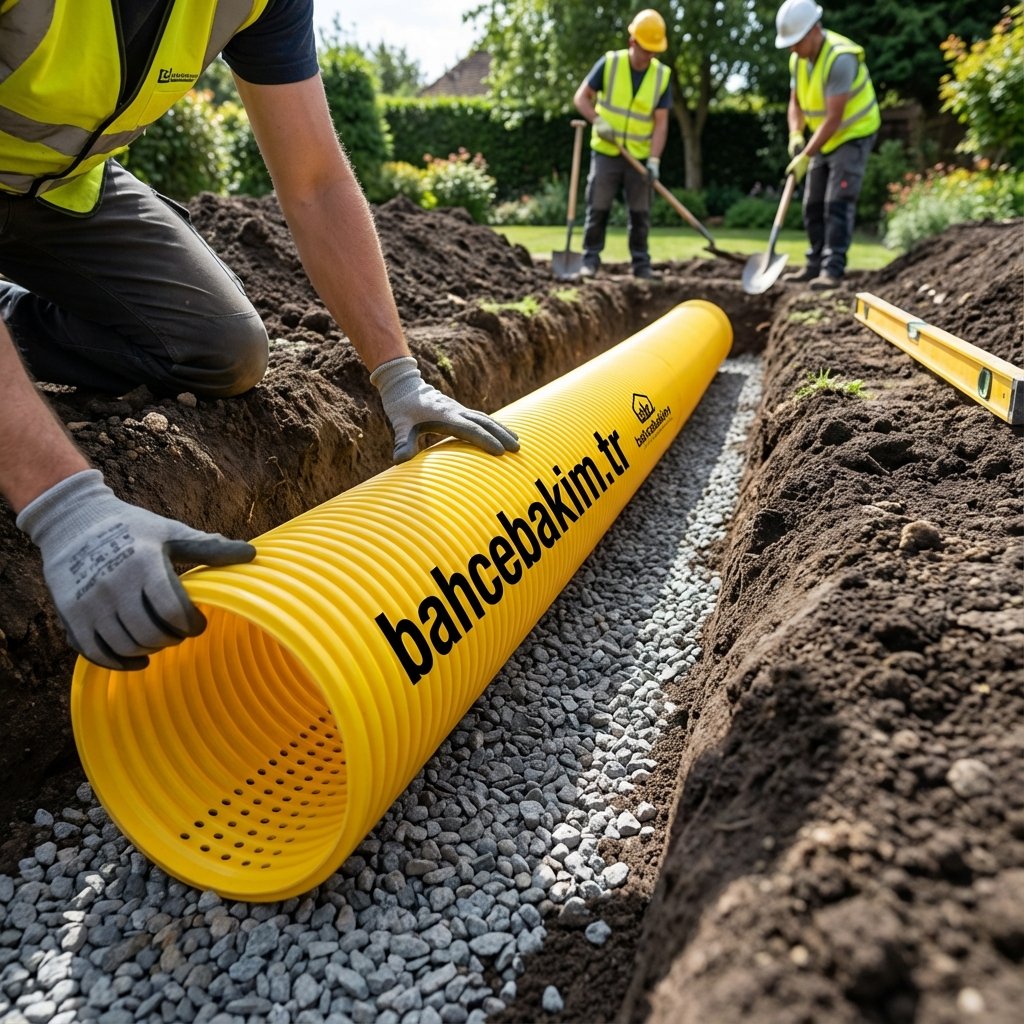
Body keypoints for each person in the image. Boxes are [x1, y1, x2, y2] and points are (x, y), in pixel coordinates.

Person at [0, 0, 519, 673]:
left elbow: (316, 182)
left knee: (223, 347)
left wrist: (399, 375)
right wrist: (63, 506)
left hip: (60, 190)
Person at [775, 0, 880, 290]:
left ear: (814, 30)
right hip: (823, 137)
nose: (792, 49)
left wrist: (806, 155)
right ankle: (813, 265)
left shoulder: (840, 59)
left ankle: (832, 271)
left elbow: (834, 118)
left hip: (853, 134)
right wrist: (796, 135)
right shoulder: (798, 60)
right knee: (812, 203)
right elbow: (795, 103)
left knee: (837, 202)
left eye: (797, 41)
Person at [573, 9, 672, 280]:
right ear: (632, 42)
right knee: (598, 207)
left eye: (654, 51)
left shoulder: (661, 76)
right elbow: (581, 98)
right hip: (606, 151)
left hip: (638, 156)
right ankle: (590, 261)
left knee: (640, 213)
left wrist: (654, 160)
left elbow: (661, 123)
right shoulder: (610, 64)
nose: (649, 56)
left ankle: (641, 265)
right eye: (645, 50)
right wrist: (597, 120)